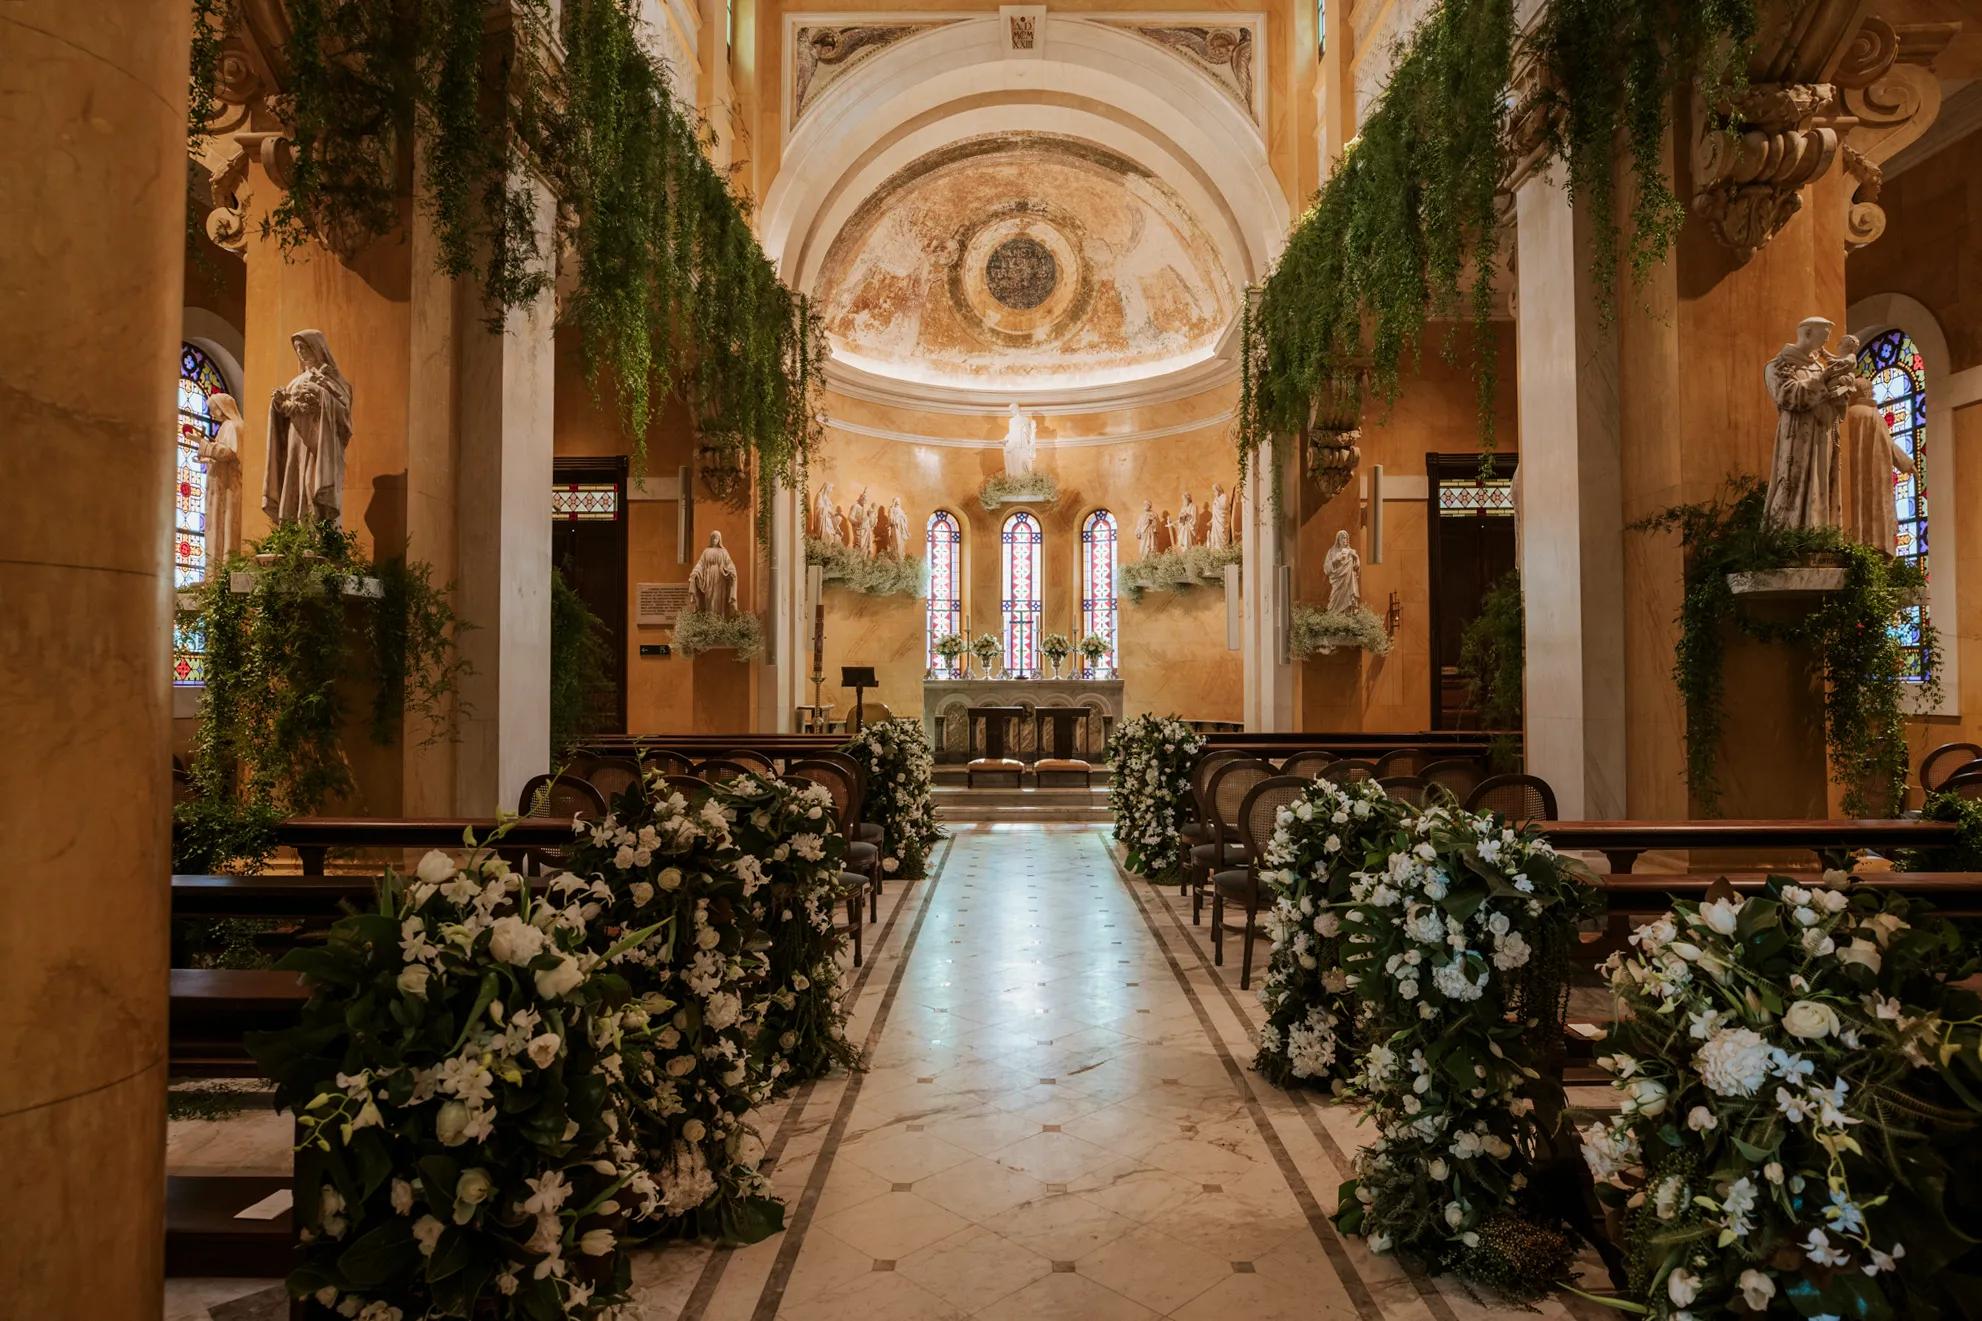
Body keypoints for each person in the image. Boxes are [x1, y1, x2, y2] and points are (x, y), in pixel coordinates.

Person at [1763, 316, 1852, 531]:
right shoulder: (1779, 364)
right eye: (1825, 335)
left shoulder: (1820, 366)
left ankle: (1820, 536)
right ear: (1808, 333)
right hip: (1798, 437)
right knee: (1794, 484)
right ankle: (1791, 537)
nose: (1827, 341)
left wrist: (1842, 389)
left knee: (1821, 483)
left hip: (1824, 435)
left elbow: (1834, 400)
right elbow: (1788, 395)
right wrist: (1823, 380)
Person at [264, 329, 353, 525]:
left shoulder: (333, 380)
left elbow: (343, 416)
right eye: (297, 348)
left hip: (320, 444)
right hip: (296, 440)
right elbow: (286, 412)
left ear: (317, 348)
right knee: (294, 483)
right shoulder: (295, 382)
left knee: (312, 483)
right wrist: (277, 403)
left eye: (304, 347)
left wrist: (320, 393)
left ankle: (318, 532)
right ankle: (294, 532)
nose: (301, 352)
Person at [199, 392, 244, 572]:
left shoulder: (232, 426)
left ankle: (223, 571)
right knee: (219, 524)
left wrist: (205, 445)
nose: (211, 413)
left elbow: (229, 453)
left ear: (221, 407)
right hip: (221, 484)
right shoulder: (227, 426)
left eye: (213, 409)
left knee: (226, 523)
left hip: (228, 486)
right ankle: (216, 571)